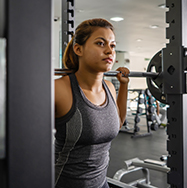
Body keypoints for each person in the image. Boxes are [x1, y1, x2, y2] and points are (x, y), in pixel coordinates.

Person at [54, 18, 129, 188]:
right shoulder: (59, 89)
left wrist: (124, 86)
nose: (110, 51)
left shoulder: (109, 87)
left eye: (113, 45)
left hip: (101, 184)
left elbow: (117, 123)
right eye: (100, 43)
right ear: (78, 49)